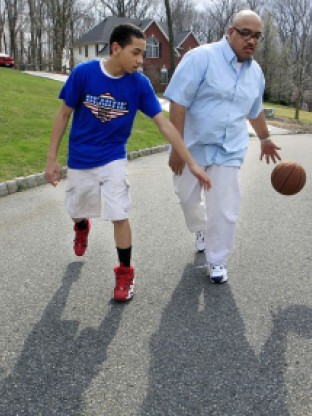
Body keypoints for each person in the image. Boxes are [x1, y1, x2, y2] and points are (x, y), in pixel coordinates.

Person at [45, 23, 211, 302]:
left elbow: (165, 125)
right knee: (76, 209)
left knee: (119, 214)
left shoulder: (139, 84)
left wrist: (191, 162)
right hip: (80, 159)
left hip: (113, 158)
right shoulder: (84, 74)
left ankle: (125, 275)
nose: (140, 60)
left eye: (143, 54)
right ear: (115, 48)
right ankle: (81, 226)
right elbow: (63, 115)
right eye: (135, 53)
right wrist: (52, 159)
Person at [164, 10, 281, 284]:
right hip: (193, 148)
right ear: (230, 32)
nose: (251, 41)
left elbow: (254, 109)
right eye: (245, 33)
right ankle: (201, 229)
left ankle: (218, 260)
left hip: (230, 150)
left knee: (226, 206)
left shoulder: (256, 73)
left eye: (257, 36)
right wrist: (177, 149)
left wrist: (264, 138)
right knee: (187, 198)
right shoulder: (201, 58)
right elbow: (178, 102)